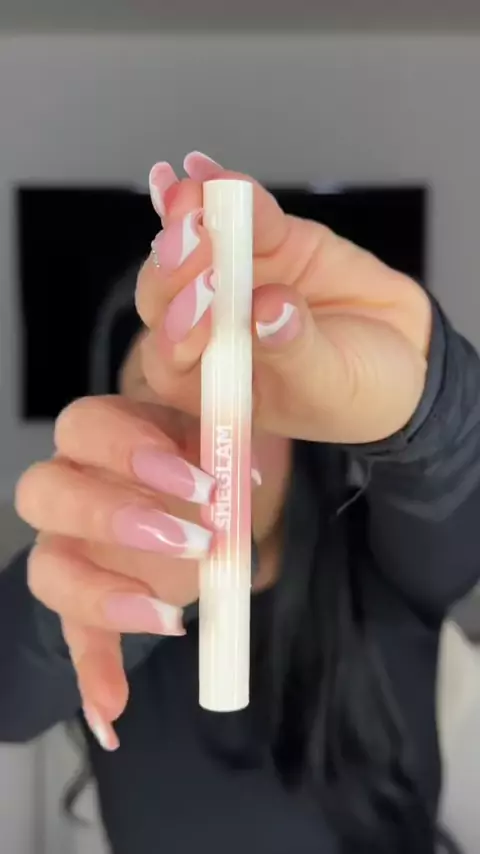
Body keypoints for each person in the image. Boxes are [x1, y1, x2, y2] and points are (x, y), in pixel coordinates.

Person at [1, 150, 477, 854]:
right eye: (160, 404)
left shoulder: (383, 574)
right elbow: (9, 694)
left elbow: (455, 490)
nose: (203, 440)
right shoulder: (114, 626)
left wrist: (427, 395)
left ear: (300, 425)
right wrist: (76, 593)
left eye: (236, 400)